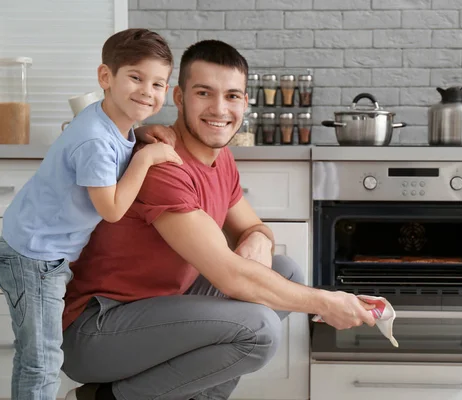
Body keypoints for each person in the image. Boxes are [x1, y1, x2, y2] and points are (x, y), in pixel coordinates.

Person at [62, 40, 375, 400]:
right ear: (179, 97)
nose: (219, 109)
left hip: (161, 309)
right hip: (98, 330)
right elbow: (229, 274)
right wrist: (326, 302)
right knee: (259, 329)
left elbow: (253, 227)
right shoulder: (162, 164)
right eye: (204, 93)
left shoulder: (220, 157)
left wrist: (257, 238)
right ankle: (101, 398)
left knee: (285, 270)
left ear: (245, 102)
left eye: (232, 96)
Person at [0, 28, 182, 400]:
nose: (147, 91)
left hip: (36, 247)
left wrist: (142, 135)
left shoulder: (109, 122)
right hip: (36, 257)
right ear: (106, 77)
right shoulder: (95, 140)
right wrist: (147, 159)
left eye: (158, 83)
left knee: (34, 357)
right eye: (135, 77)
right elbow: (113, 209)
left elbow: (116, 146)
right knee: (42, 361)